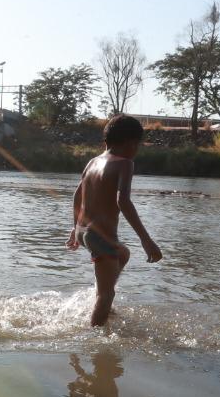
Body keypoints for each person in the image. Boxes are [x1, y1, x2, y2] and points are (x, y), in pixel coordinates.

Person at [67, 115, 162, 326]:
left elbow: (76, 195)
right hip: (101, 236)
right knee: (107, 295)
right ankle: (94, 337)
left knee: (123, 253)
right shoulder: (125, 164)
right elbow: (123, 201)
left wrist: (75, 229)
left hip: (85, 232)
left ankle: (101, 296)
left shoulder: (93, 162)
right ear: (131, 143)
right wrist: (146, 240)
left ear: (107, 140)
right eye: (137, 145)